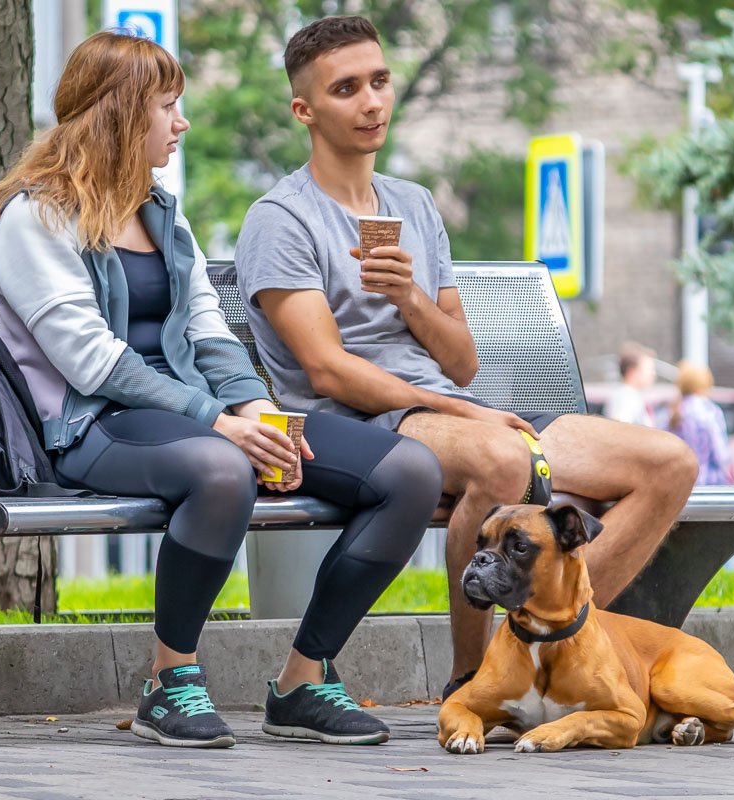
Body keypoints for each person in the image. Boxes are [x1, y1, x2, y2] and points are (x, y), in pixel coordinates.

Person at [0, 30, 443, 749]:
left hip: (200, 418)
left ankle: (302, 679)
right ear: (120, 116)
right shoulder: (34, 219)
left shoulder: (162, 213)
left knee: (409, 471)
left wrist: (258, 412)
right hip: (96, 426)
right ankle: (170, 681)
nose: (181, 122)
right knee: (223, 469)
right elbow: (91, 362)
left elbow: (208, 332)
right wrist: (220, 424)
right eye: (167, 107)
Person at [234, 15, 699, 700]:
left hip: (458, 408)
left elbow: (461, 361)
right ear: (304, 109)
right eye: (347, 88)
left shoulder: (414, 206)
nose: (372, 102)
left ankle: (555, 641)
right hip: (361, 420)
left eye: (380, 82)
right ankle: (473, 680)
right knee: (505, 458)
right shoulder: (281, 219)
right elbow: (326, 371)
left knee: (668, 463)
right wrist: (463, 414)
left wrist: (411, 297)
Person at [664, 361, 731, 485]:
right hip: (709, 482)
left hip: (680, 481)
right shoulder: (710, 411)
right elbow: (721, 454)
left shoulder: (674, 411)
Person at [604, 342, 657, 427]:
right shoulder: (627, 398)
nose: (653, 374)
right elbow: (621, 427)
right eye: (648, 369)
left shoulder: (627, 395)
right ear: (632, 372)